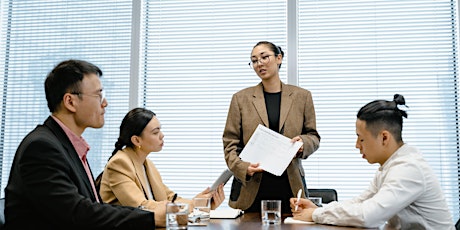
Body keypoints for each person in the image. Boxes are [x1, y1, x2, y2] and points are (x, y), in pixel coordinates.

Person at [4, 59, 165, 230]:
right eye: (98, 95)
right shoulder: (41, 147)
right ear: (70, 102)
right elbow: (77, 213)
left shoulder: (67, 145)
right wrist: (151, 218)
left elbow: (90, 207)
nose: (105, 103)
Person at [290, 94, 455, 229]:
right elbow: (361, 202)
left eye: (361, 139)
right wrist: (319, 209)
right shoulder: (390, 166)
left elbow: (368, 216)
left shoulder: (408, 168)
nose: (357, 145)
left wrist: (315, 215)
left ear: (384, 137)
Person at [222, 41, 321, 214]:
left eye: (264, 57)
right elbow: (230, 142)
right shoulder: (240, 98)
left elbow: (313, 136)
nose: (259, 63)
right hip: (251, 185)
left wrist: (303, 143)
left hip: (289, 183)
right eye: (254, 60)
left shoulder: (302, 96)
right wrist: (243, 167)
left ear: (279, 58)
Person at [98, 107, 225, 221]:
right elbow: (141, 207)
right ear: (136, 140)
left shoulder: (147, 164)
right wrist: (193, 205)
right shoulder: (119, 163)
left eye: (160, 130)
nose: (162, 135)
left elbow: (170, 198)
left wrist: (201, 203)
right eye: (155, 132)